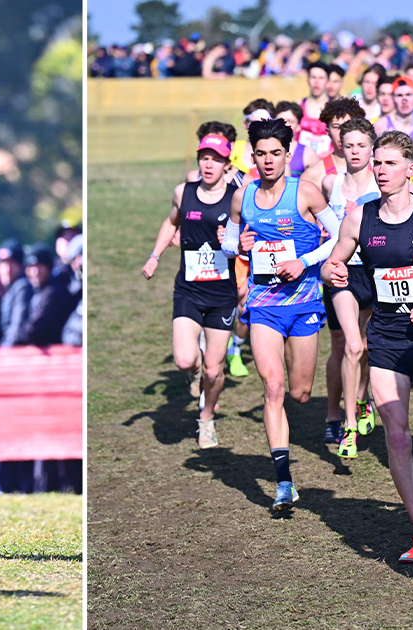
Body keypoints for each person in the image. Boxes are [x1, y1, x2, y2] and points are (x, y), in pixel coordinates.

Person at [321, 130, 413, 563]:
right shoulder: (361, 217)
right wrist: (331, 272)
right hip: (386, 340)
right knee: (397, 436)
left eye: (389, 163)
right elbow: (334, 259)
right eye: (376, 163)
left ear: (411, 169)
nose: (379, 170)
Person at [220, 118, 338, 513]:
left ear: (288, 155)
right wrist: (240, 243)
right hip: (263, 304)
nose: (268, 161)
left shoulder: (305, 193)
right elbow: (226, 244)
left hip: (304, 303)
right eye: (261, 154)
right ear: (251, 156)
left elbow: (339, 237)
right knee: (273, 387)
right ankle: (284, 481)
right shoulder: (243, 196)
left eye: (275, 153)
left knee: (300, 393)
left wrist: (303, 259)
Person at [143, 131, 240, 448]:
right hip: (188, 290)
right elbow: (171, 222)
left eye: (215, 159)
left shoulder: (238, 197)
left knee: (215, 371)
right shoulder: (183, 193)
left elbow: (252, 238)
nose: (208, 164)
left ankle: (207, 418)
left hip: (222, 295)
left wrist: (234, 240)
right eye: (204, 158)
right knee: (186, 361)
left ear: (227, 164)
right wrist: (155, 256)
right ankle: (195, 372)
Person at [318, 117, 380, 455]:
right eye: (349, 144)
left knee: (368, 347)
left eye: (361, 145)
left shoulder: (383, 183)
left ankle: (363, 399)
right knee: (350, 347)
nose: (354, 151)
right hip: (341, 273)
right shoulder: (330, 183)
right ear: (340, 146)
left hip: (373, 273)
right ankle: (346, 425)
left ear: (372, 148)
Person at [375, 77, 413, 147]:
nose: (404, 99)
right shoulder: (381, 125)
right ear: (393, 99)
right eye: (399, 95)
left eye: (408, 94)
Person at [299, 62, 334, 156]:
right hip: (302, 161)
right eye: (313, 77)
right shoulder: (298, 106)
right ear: (308, 80)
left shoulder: (335, 109)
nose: (316, 82)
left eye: (321, 78)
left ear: (327, 82)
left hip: (326, 161)